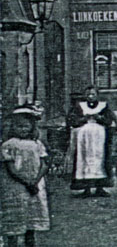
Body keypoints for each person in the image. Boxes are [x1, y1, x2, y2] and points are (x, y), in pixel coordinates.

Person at [0, 106, 50, 247]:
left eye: (26, 126)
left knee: (32, 213)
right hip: (15, 185)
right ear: (12, 127)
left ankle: (30, 241)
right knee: (15, 214)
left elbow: (44, 164)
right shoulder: (8, 145)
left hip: (35, 183)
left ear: (32, 127)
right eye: (18, 126)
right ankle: (12, 243)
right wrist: (26, 181)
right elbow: (10, 168)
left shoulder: (37, 144)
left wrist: (35, 181)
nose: (22, 129)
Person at [67, 85, 116, 197]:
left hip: (100, 137)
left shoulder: (104, 106)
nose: (90, 97)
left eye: (93, 94)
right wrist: (84, 119)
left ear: (97, 95)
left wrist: (99, 117)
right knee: (84, 160)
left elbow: (109, 120)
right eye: (88, 94)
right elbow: (72, 120)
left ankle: (100, 187)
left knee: (100, 160)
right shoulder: (79, 106)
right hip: (84, 138)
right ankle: (86, 188)